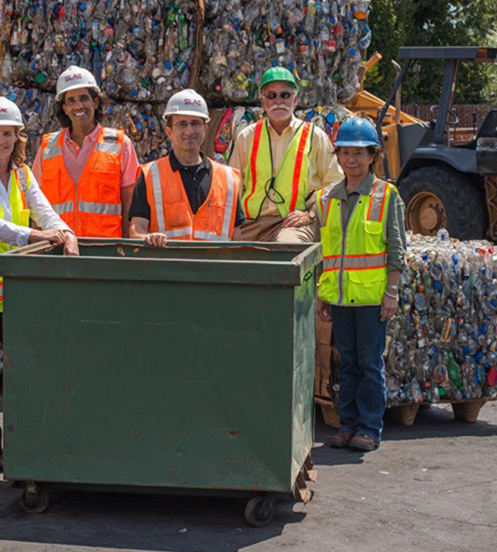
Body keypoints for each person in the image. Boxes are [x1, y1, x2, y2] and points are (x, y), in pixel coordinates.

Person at [0, 97, 78, 470]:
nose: (2, 141)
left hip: (12, 286)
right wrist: (37, 237)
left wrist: (65, 232)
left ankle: (29, 438)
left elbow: (43, 207)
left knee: (25, 363)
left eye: (8, 134)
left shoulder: (22, 174)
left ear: (19, 136)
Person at [314, 118, 406, 453]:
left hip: (371, 299)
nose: (351, 160)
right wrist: (323, 295)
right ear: (337, 155)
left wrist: (391, 292)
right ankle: (347, 425)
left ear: (372, 156)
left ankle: (369, 428)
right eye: (345, 152)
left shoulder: (386, 195)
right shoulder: (327, 198)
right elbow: (326, 251)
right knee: (347, 363)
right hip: (339, 298)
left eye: (359, 153)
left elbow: (396, 248)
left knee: (369, 364)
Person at [228, 67, 343, 242]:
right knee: (226, 254)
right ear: (263, 101)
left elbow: (335, 182)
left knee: (287, 251)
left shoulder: (315, 136)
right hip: (252, 222)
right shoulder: (247, 136)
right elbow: (234, 185)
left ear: (295, 100)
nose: (278, 101)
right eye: (271, 95)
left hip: (293, 223)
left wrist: (311, 215)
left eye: (285, 95)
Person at [32, 65, 139, 237]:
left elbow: (130, 204)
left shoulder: (120, 145)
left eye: (84, 98)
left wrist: (126, 250)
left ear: (95, 102)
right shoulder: (47, 147)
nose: (78, 106)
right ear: (65, 108)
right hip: (58, 249)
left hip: (103, 251)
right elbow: (35, 203)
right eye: (71, 101)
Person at [129, 89, 244, 246]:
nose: (189, 131)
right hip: (167, 267)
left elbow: (237, 239)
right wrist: (147, 238)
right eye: (182, 124)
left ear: (205, 129)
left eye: (195, 123)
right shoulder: (150, 175)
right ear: (169, 132)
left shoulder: (228, 179)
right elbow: (136, 229)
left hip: (215, 268)